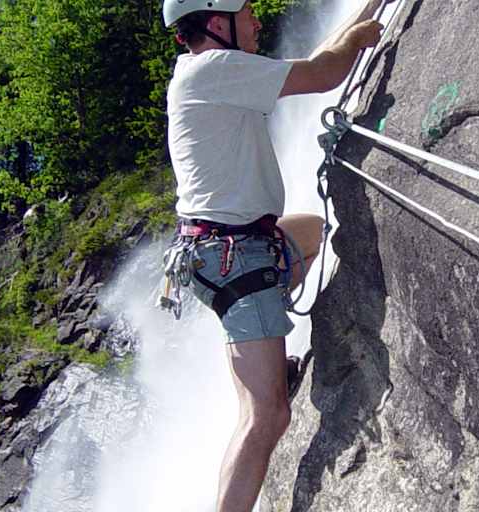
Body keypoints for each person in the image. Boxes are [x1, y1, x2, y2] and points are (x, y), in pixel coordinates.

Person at [159, 0, 385, 509]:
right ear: (218, 24)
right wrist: (354, 44)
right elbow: (325, 73)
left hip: (227, 250)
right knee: (267, 416)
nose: (257, 20)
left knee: (312, 231)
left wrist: (368, 9)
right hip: (236, 258)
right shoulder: (216, 69)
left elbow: (313, 63)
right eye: (247, 13)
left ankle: (266, 358)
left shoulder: (206, 72)